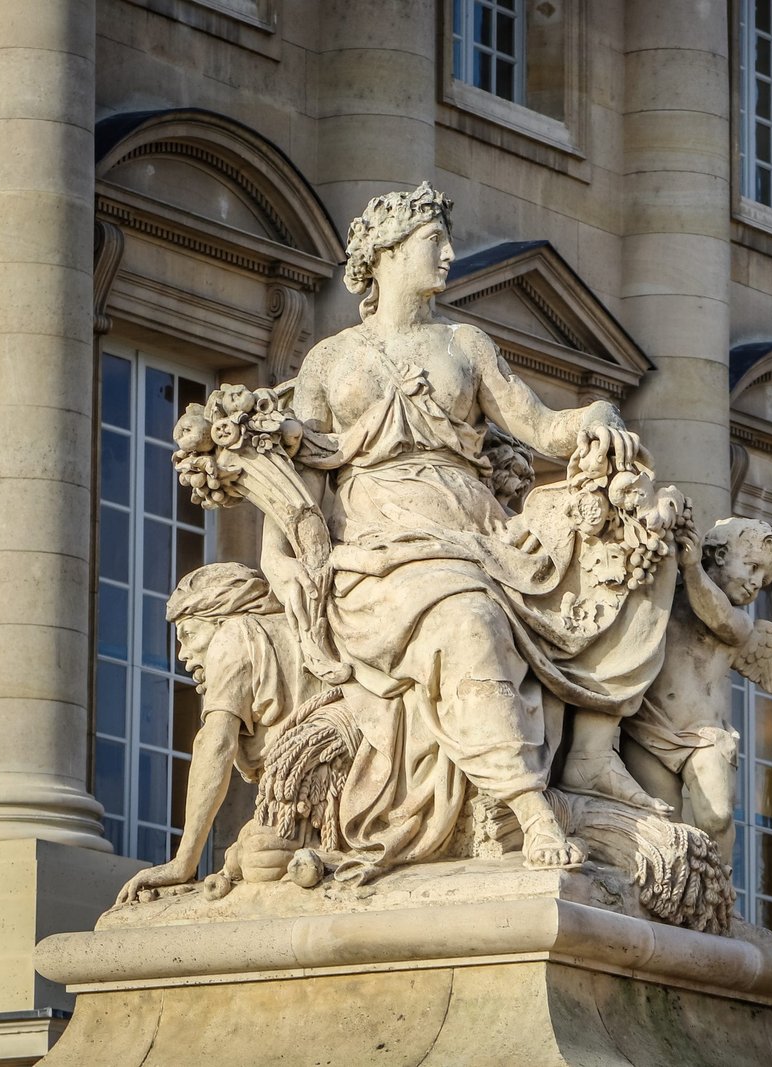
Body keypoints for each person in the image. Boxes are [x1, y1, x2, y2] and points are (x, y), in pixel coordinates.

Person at [269, 182, 674, 875]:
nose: (450, 255)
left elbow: (540, 426)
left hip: (469, 530)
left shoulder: (465, 343)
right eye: (434, 241)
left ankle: (573, 770)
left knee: (521, 596)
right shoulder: (330, 360)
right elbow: (296, 481)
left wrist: (597, 414)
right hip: (374, 546)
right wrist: (285, 561)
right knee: (467, 618)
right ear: (387, 252)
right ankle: (530, 809)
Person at [115, 564, 311, 903]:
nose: (182, 655)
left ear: (219, 615)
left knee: (258, 859)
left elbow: (216, 741)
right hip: (321, 792)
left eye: (188, 635)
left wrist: (183, 862)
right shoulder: (292, 633)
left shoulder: (232, 635)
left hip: (308, 793)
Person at [620, 518, 772, 864]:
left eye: (766, 580)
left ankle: (721, 886)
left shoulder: (740, 622)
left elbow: (717, 617)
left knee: (716, 817)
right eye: (753, 567)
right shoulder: (665, 596)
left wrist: (691, 568)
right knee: (661, 827)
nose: (757, 583)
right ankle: (673, 890)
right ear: (719, 554)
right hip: (648, 727)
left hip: (704, 734)